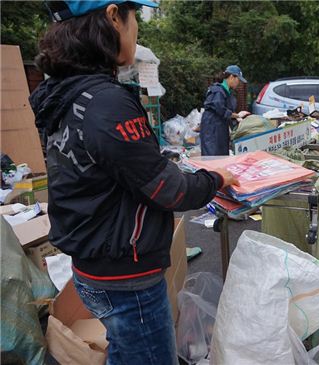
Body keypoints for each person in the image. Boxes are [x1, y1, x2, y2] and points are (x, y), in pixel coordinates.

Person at [30, 2, 238, 364]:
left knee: (126, 353)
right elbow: (169, 190)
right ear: (113, 17)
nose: (136, 29)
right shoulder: (107, 102)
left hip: (90, 268)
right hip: (126, 277)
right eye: (134, 18)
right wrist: (217, 177)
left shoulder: (62, 95)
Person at [200, 65, 250, 156]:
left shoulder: (226, 92)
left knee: (221, 155)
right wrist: (238, 115)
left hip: (219, 128)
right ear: (231, 77)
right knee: (213, 156)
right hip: (213, 129)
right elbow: (222, 110)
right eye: (238, 80)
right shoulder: (218, 91)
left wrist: (236, 119)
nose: (238, 83)